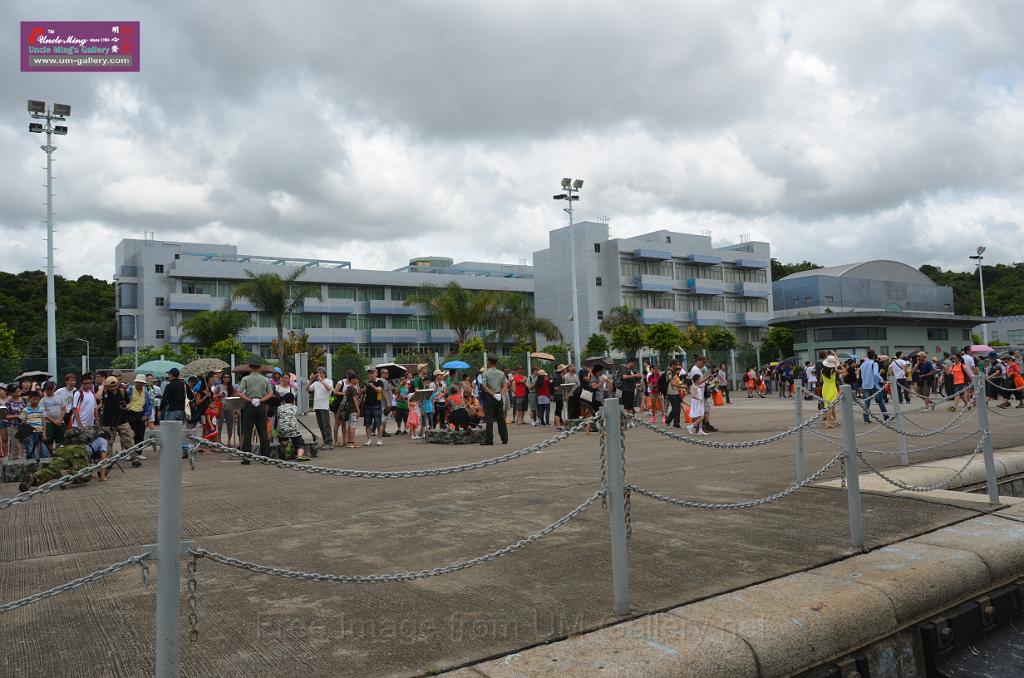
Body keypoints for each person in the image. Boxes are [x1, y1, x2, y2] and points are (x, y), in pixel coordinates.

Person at [237, 359, 273, 462]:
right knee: (262, 432)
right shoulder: (265, 379)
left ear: (249, 367)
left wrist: (249, 399)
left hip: (250, 405)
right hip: (261, 405)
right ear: (260, 367)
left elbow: (239, 392)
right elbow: (270, 393)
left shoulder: (246, 379)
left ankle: (246, 458)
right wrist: (261, 400)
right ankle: (265, 456)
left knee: (247, 432)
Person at [480, 356, 509, 445]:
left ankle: (489, 440)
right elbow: (505, 385)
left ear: (489, 362)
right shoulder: (501, 373)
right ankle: (504, 438)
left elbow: (484, 386)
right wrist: (500, 394)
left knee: (489, 418)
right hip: (499, 397)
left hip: (490, 397)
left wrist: (492, 394)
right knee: (501, 418)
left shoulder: (486, 373)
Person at [275, 393, 310, 461]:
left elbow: (278, 417)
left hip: (282, 428)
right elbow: (297, 415)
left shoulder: (279, 408)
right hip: (293, 429)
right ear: (293, 400)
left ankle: (287, 444)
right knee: (300, 443)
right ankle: (299, 456)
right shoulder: (295, 407)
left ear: (284, 400)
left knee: (282, 439)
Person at [859, 350, 890, 423]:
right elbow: (875, 374)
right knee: (880, 401)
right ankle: (886, 416)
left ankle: (866, 418)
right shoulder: (874, 363)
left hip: (865, 385)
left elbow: (861, 374)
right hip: (874, 385)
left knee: (866, 403)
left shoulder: (863, 364)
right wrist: (882, 380)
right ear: (874, 356)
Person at [308, 366, 335, 449]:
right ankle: (325, 441)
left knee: (326, 425)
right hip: (317, 406)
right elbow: (307, 389)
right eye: (318, 373)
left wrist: (321, 380)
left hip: (324, 406)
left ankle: (329, 442)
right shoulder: (315, 383)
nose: (318, 374)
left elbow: (329, 388)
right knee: (321, 425)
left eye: (320, 373)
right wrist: (311, 380)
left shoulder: (328, 381)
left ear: (324, 373)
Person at [362, 368, 384, 447]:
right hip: (367, 405)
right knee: (367, 423)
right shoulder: (367, 382)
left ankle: (379, 439)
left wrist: (372, 385)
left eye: (372, 373)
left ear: (376, 373)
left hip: (377, 405)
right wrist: (365, 387)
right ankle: (369, 440)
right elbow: (361, 392)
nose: (370, 375)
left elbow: (379, 390)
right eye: (369, 373)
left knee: (378, 423)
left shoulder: (379, 382)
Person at [39, 381, 65, 447]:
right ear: (44, 390)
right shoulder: (42, 400)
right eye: (47, 389)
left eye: (51, 388)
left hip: (60, 422)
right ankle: (50, 453)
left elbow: (64, 408)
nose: (49, 390)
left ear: (53, 389)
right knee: (49, 441)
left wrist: (60, 419)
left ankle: (59, 452)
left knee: (61, 440)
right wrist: (54, 421)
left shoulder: (60, 397)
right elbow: (44, 414)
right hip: (49, 423)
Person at [820, 355, 843, 428]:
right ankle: (828, 422)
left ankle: (835, 420)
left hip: (825, 387)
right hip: (832, 387)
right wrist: (839, 365)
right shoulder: (834, 371)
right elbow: (844, 371)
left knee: (830, 405)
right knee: (830, 406)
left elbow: (821, 380)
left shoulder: (822, 370)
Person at [665, 363, 684, 428]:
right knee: (675, 408)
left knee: (678, 408)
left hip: (676, 392)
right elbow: (672, 384)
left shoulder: (675, 374)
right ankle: (668, 420)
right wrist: (681, 386)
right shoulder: (669, 372)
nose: (678, 370)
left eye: (679, 369)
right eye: (677, 368)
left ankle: (676, 423)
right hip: (671, 392)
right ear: (672, 365)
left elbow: (677, 382)